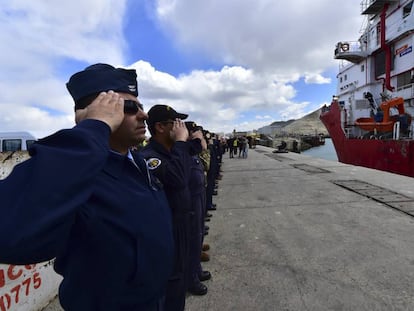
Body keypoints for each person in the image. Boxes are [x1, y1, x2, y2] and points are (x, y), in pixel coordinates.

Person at [0, 63, 174, 310]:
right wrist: (93, 129)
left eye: (141, 106)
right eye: (130, 107)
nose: (143, 115)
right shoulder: (77, 171)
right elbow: (10, 230)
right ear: (96, 113)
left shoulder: (137, 161)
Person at [140, 105, 202, 311]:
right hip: (168, 231)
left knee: (180, 281)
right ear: (159, 127)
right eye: (175, 123)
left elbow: (198, 148)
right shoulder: (150, 155)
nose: (180, 127)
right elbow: (177, 179)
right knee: (171, 285)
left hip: (183, 223)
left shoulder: (173, 151)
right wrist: (181, 143)